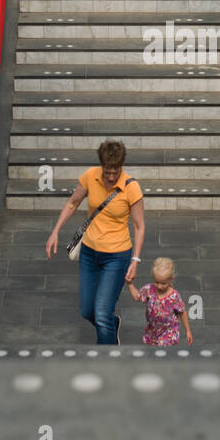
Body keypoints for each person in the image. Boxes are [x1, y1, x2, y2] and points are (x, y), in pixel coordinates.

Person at [44, 140, 145, 345]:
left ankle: (106, 363)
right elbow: (73, 202)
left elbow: (139, 226)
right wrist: (55, 232)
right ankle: (111, 323)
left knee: (100, 314)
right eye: (107, 171)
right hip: (89, 253)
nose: (110, 176)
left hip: (117, 256)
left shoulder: (131, 188)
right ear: (101, 165)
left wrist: (135, 260)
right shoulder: (90, 176)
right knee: (87, 310)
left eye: (114, 172)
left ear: (121, 166)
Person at [127, 257, 192, 347]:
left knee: (162, 351)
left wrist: (188, 330)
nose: (159, 286)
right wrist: (130, 284)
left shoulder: (174, 296)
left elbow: (182, 312)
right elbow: (137, 297)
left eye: (163, 283)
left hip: (169, 332)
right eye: (156, 282)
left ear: (171, 279)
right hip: (152, 330)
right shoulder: (148, 289)